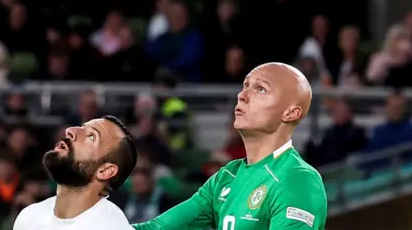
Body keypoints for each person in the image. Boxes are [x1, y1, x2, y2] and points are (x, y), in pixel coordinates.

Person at [133, 62, 328, 230]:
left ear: (290, 113)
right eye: (245, 86)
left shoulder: (297, 179)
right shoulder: (227, 177)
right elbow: (156, 227)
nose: (242, 95)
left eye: (260, 89)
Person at [13, 115, 137, 230]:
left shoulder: (111, 226)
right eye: (82, 127)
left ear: (104, 171)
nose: (70, 130)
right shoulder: (29, 217)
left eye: (91, 136)